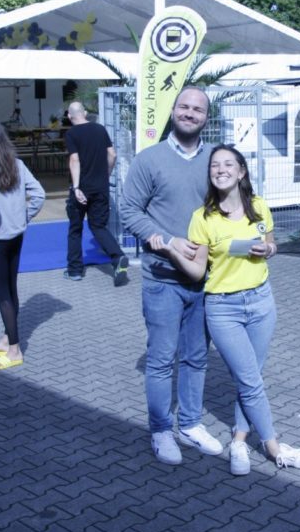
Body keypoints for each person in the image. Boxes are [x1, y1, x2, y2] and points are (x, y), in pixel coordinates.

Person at [163, 144, 300, 476]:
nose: (221, 170)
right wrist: (172, 251)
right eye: (215, 165)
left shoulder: (258, 206)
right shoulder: (202, 218)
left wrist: (269, 249)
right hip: (223, 308)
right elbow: (197, 271)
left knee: (253, 378)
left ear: (241, 171)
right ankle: (275, 449)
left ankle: (239, 441)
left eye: (228, 164)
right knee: (249, 380)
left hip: (261, 302)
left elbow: (272, 243)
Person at [121, 86, 223, 465]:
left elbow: (234, 205)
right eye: (184, 106)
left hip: (206, 280)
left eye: (198, 109)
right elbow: (129, 210)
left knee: (196, 357)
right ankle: (161, 429)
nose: (190, 113)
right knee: (162, 359)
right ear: (173, 110)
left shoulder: (216, 160)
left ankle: (191, 424)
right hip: (163, 279)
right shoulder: (149, 160)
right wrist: (165, 241)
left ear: (206, 118)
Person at [0, 121, 45, 370]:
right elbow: (39, 194)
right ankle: (7, 339)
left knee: (2, 293)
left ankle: (14, 350)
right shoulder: (17, 165)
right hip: (16, 235)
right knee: (11, 289)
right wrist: (24, 217)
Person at [64, 101, 129, 285]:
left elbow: (74, 160)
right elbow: (112, 154)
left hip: (82, 188)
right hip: (100, 187)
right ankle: (117, 257)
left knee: (75, 229)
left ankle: (75, 270)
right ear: (85, 113)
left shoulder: (71, 133)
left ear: (69, 116)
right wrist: (106, 174)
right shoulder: (100, 129)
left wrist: (76, 187)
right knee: (98, 226)